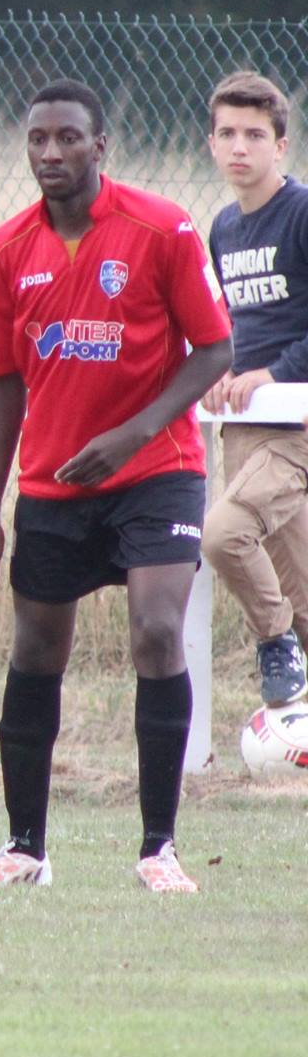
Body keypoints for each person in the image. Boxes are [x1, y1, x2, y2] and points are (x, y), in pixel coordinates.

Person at [0, 79, 232, 895]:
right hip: (55, 482)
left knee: (156, 629)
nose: (50, 152)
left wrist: (135, 433)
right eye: (37, 138)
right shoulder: (7, 251)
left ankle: (158, 849)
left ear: (100, 145)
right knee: (36, 650)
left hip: (157, 473)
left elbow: (213, 352)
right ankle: (24, 848)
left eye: (67, 138)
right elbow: (3, 383)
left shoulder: (162, 228)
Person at [199, 72, 308, 708]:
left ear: (281, 146)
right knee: (302, 599)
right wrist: (223, 367)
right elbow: (235, 324)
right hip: (242, 428)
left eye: (255, 135)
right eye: (228, 134)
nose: (240, 147)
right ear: (211, 143)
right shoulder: (224, 228)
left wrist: (276, 375)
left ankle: (273, 645)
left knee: (224, 534)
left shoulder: (299, 212)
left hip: (293, 427)